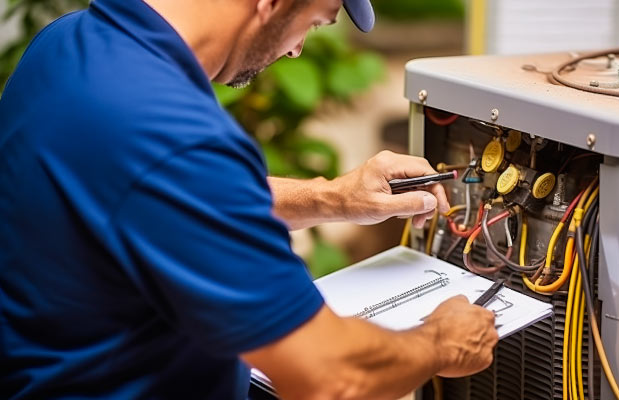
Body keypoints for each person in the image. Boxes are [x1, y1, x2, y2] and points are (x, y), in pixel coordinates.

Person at [0, 0, 498, 398]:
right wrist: (440, 342)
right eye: (314, 21)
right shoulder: (170, 131)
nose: (298, 49)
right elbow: (333, 377)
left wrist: (332, 197)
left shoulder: (67, 44)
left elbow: (155, 196)